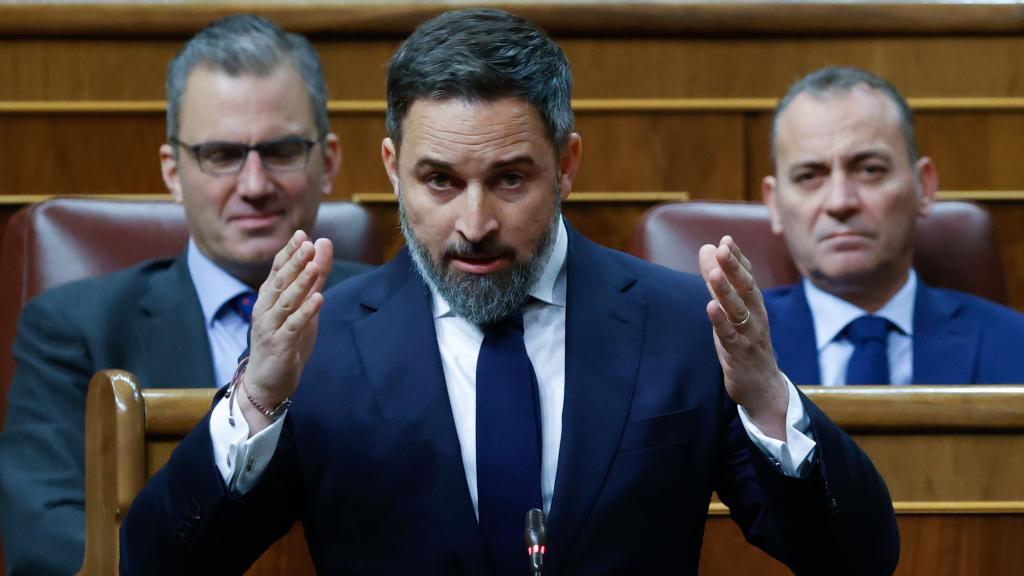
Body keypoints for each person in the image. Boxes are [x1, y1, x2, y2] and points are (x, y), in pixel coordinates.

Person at [121, 10, 897, 575]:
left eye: (511, 179)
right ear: (392, 168)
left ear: (568, 163)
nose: (474, 223)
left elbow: (858, 559)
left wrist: (766, 394)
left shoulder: (676, 324)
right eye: (439, 181)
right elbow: (158, 564)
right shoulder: (322, 346)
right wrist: (256, 397)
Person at [0, 14, 370, 575]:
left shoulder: (390, 310)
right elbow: (44, 541)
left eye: (282, 150)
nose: (254, 184)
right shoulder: (71, 327)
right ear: (173, 171)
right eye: (221, 154)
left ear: (329, 163)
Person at [761, 66, 1024, 386]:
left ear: (923, 186)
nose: (840, 202)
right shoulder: (721, 352)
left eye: (870, 170)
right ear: (774, 204)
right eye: (809, 177)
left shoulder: (1014, 347)